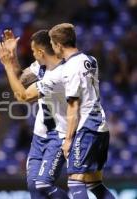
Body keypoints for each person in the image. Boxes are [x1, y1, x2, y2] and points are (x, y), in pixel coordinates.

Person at [0, 30, 69, 199]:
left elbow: (23, 96)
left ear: (41, 52)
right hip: (40, 135)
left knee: (43, 184)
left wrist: (6, 65)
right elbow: (20, 80)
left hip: (58, 135)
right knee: (34, 189)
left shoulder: (59, 74)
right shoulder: (41, 66)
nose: (32, 54)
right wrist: (12, 56)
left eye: (33, 51)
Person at [49, 23, 115, 199]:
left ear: (58, 45)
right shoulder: (90, 60)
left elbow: (74, 106)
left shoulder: (71, 67)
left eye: (52, 43)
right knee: (95, 184)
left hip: (87, 127)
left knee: (75, 181)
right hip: (101, 125)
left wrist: (69, 139)